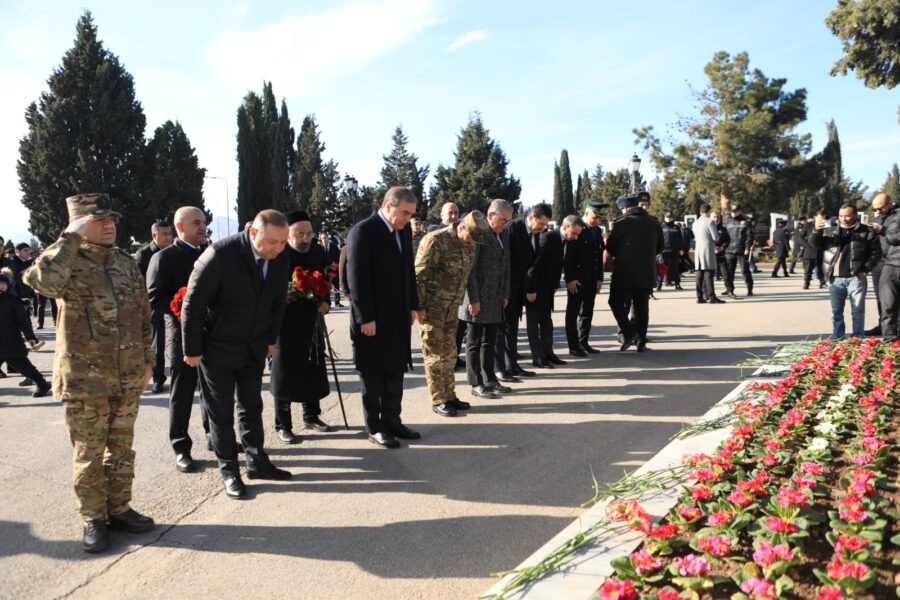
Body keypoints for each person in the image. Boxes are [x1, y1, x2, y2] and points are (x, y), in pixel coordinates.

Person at [24, 193, 156, 553]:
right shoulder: (66, 262)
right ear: (80, 225)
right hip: (85, 381)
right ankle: (94, 518)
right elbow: (42, 282)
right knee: (89, 454)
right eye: (99, 220)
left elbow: (143, 316)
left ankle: (120, 508)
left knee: (122, 449)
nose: (110, 225)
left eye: (111, 219)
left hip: (128, 375)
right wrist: (69, 237)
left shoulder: (125, 263)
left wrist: (148, 360)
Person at [182, 209, 293, 500]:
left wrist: (271, 339)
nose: (278, 248)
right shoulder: (220, 255)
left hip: (254, 346)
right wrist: (192, 349)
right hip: (217, 347)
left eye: (283, 242)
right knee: (220, 413)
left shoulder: (280, 256)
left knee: (251, 406)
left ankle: (257, 461)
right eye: (273, 242)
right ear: (253, 233)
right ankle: (229, 469)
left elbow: (277, 302)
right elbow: (193, 303)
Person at [346, 187, 422, 448]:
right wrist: (365, 317)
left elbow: (408, 271)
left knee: (395, 370)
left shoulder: (403, 231)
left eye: (411, 214)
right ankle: (375, 427)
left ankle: (392, 421)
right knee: (372, 374)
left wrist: (413, 305)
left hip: (398, 316)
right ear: (389, 206)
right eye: (405, 213)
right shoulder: (363, 232)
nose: (408, 219)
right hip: (372, 318)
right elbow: (356, 279)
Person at [146, 206, 210, 474]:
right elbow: (155, 298)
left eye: (204, 222)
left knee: (213, 391)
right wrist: (184, 307)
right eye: (196, 223)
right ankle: (181, 446)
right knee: (182, 393)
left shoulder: (210, 253)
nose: (203, 227)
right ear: (180, 227)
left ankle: (215, 437)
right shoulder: (164, 258)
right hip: (182, 335)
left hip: (213, 334)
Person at [271, 212, 333, 443]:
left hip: (311, 319)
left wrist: (325, 301)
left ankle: (311, 415)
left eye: (308, 233)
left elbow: (325, 280)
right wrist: (283, 296)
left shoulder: (316, 251)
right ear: (288, 234)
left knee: (312, 368)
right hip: (285, 322)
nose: (305, 239)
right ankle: (283, 424)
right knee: (284, 373)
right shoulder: (278, 253)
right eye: (300, 234)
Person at [416, 211, 486, 414]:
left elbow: (468, 275)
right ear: (461, 227)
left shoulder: (470, 245)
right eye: (471, 237)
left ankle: (449, 395)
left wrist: (473, 299)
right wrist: (419, 306)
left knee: (449, 354)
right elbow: (419, 275)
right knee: (434, 355)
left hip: (453, 308)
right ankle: (439, 399)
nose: (472, 243)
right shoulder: (435, 241)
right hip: (432, 309)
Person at [460, 200, 512, 397]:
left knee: (489, 342)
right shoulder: (480, 234)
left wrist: (505, 293)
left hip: (495, 297)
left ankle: (490, 379)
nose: (506, 224)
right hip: (478, 298)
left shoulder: (503, 234)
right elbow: (471, 270)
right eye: (503, 219)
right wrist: (474, 299)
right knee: (474, 342)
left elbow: (506, 266)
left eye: (508, 220)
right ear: (491, 215)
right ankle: (476, 383)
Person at [809, 204, 881, 338]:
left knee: (857, 310)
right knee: (836, 311)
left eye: (847, 215)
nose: (844, 219)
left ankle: (857, 338)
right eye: (841, 216)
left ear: (855, 215)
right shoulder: (830, 231)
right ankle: (838, 337)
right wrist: (816, 230)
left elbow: (876, 253)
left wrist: (865, 269)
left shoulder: (867, 231)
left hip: (856, 277)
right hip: (835, 278)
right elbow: (814, 243)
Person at [497, 204, 550, 378]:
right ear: (532, 217)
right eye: (541, 223)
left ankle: (512, 365)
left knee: (512, 328)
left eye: (545, 225)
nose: (543, 228)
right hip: (508, 287)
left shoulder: (535, 234)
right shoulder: (513, 228)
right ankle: (502, 368)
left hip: (520, 288)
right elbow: (506, 260)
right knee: (504, 329)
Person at [606, 193, 663, 351]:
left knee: (616, 302)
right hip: (646, 272)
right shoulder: (654, 222)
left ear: (624, 208)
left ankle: (628, 332)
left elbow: (610, 247)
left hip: (624, 272)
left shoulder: (621, 223)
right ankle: (641, 341)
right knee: (641, 307)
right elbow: (660, 247)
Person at [527, 215, 582, 367]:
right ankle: (537, 356)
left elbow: (560, 264)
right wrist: (531, 289)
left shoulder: (569, 240)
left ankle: (548, 353)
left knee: (547, 322)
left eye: (578, 234)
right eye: (574, 233)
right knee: (534, 322)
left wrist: (555, 284)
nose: (576, 237)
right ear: (565, 227)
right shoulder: (549, 237)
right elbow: (536, 264)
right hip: (535, 287)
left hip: (548, 287)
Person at [135, 221, 174, 394]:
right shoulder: (143, 255)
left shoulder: (174, 252)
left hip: (172, 304)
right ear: (154, 236)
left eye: (170, 233)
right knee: (157, 345)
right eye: (164, 234)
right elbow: (138, 283)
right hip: (153, 307)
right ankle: (158, 378)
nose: (168, 237)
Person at [566, 200, 607, 355]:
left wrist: (599, 278)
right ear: (587, 212)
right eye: (595, 217)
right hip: (577, 279)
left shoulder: (596, 231)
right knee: (573, 312)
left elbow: (598, 256)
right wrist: (570, 278)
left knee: (587, 312)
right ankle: (573, 346)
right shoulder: (577, 227)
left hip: (591, 279)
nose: (597, 221)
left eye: (599, 218)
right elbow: (568, 256)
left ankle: (583, 342)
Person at [0, 272, 50, 397]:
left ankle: (42, 384)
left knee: (24, 366)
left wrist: (31, 337)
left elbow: (24, 321)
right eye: (0, 283)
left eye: (4, 283)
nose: (2, 285)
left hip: (11, 342)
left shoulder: (13, 300)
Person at [871, 193, 899, 341]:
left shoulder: (897, 216)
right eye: (875, 209)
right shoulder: (878, 218)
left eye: (880, 208)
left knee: (894, 300)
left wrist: (883, 229)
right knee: (883, 299)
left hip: (892, 260)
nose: (878, 211)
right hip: (880, 261)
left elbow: (893, 237)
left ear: (890, 204)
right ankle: (883, 328)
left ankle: (896, 329)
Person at [692, 204, 725, 304]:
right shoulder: (710, 222)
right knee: (709, 274)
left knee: (699, 274)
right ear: (709, 212)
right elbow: (715, 237)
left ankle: (699, 297)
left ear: (700, 211)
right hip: (707, 249)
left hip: (698, 250)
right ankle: (711, 297)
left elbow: (695, 237)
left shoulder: (695, 222)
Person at [723, 206, 754, 297]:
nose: (733, 213)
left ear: (740, 211)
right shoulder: (728, 222)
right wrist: (723, 246)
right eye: (732, 211)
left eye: (735, 211)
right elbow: (724, 236)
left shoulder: (746, 221)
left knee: (745, 270)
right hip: (729, 250)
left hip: (742, 250)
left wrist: (747, 248)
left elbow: (749, 236)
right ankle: (729, 289)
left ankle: (749, 289)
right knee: (729, 272)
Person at [800, 214, 825, 289]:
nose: (821, 220)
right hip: (809, 250)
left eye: (823, 218)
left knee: (821, 268)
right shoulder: (808, 225)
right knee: (808, 269)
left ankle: (822, 282)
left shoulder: (826, 225)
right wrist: (806, 245)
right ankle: (806, 283)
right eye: (820, 218)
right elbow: (800, 236)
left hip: (820, 250)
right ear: (815, 217)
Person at [660, 212, 683, 290]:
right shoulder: (661, 227)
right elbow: (658, 239)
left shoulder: (676, 227)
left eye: (670, 217)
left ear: (672, 218)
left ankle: (677, 284)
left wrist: (681, 248)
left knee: (675, 268)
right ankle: (659, 285)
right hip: (664, 251)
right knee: (663, 268)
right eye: (667, 217)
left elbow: (680, 239)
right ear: (664, 218)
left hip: (674, 250)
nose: (669, 218)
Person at [320, 232, 342, 307]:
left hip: (334, 269)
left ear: (327, 238)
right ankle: (328, 302)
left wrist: (336, 265)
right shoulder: (320, 248)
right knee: (326, 286)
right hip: (325, 271)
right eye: (322, 238)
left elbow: (339, 257)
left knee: (336, 286)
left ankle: (337, 302)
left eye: (325, 238)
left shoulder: (334, 247)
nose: (324, 239)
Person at [710, 211, 729, 282]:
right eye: (714, 217)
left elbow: (727, 240)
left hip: (720, 252)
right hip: (710, 252)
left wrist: (722, 248)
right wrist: (713, 247)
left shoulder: (723, 229)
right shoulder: (707, 228)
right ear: (710, 218)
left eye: (718, 217)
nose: (716, 219)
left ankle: (728, 287)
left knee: (725, 272)